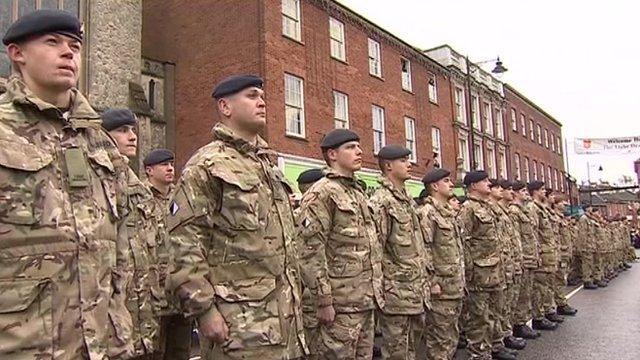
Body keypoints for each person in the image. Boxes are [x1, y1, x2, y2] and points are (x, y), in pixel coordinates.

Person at [0, 9, 134, 359]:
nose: (68, 52)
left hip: (97, 342)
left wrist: (119, 322)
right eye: (52, 42)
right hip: (22, 344)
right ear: (17, 54)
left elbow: (120, 237)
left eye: (75, 45)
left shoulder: (100, 142)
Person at [166, 75, 306, 359]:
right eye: (252, 96)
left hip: (286, 323)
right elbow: (183, 244)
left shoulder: (267, 166)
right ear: (225, 107)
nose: (261, 101)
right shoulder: (206, 165)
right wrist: (204, 311)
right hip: (239, 328)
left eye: (262, 96)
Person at [297, 128, 384, 359]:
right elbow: (309, 250)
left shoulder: (357, 193)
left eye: (359, 146)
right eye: (351, 147)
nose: (359, 151)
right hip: (339, 305)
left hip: (364, 301)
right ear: (332, 155)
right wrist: (323, 299)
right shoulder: (322, 193)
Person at [102, 108, 163, 358]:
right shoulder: (101, 178)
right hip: (112, 307)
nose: (132, 136)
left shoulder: (137, 187)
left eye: (133, 131)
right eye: (122, 130)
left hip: (142, 308)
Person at [368, 145, 428, 360]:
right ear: (389, 166)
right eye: (403, 161)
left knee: (411, 348)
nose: (409, 164)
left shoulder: (406, 200)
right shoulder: (381, 201)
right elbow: (376, 249)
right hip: (396, 292)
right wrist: (380, 292)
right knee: (396, 352)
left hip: (415, 289)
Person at [143, 148, 194, 360]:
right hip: (152, 294)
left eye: (172, 164)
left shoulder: (180, 198)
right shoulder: (139, 197)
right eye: (164, 165)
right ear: (149, 170)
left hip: (180, 292)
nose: (170, 168)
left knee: (181, 352)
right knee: (155, 352)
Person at [458, 171, 508, 360]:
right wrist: (469, 273)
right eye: (484, 181)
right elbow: (462, 242)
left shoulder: (487, 207)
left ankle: (493, 347)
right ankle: (479, 354)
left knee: (494, 313)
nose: (489, 183)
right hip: (479, 274)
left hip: (494, 271)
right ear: (472, 186)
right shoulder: (468, 209)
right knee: (479, 318)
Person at [418, 168, 466, 360]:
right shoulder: (428, 213)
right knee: (439, 340)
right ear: (435, 186)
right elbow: (425, 248)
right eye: (447, 181)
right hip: (440, 287)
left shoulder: (447, 214)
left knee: (450, 336)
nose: (451, 185)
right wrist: (432, 282)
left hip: (454, 284)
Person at [509, 181, 546, 336]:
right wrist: (519, 259)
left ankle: (522, 323)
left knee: (527, 292)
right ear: (515, 193)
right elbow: (515, 238)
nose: (525, 193)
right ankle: (518, 325)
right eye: (522, 190)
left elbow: (532, 235)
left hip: (530, 257)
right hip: (523, 258)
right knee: (520, 294)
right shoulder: (514, 212)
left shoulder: (523, 211)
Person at [526, 182, 562, 331]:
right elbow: (533, 232)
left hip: (548, 252)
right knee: (539, 287)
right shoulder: (533, 208)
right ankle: (539, 317)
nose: (545, 192)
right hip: (542, 253)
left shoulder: (543, 210)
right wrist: (537, 253)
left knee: (546, 285)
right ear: (535, 191)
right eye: (542, 190)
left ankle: (546, 311)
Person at [550, 195, 578, 316]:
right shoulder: (554, 217)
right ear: (555, 204)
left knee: (561, 279)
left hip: (564, 253)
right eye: (561, 203)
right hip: (558, 253)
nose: (564, 205)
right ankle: (560, 304)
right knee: (558, 280)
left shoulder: (561, 218)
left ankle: (561, 303)